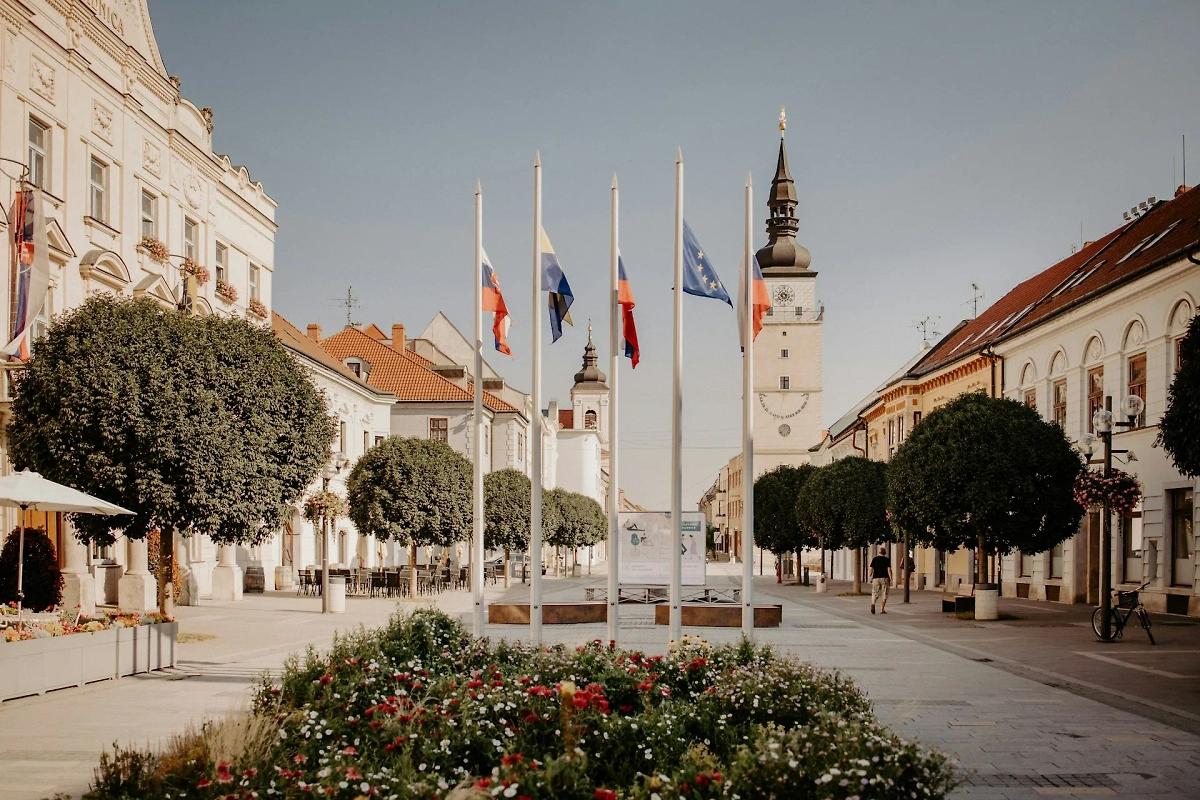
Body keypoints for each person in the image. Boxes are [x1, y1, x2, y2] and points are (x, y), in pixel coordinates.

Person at [870, 546, 893, 614]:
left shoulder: (874, 559)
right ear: (885, 553)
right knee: (884, 593)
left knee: (875, 592)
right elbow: (889, 570)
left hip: (876, 578)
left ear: (879, 552)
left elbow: (871, 568)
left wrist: (870, 576)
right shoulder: (887, 560)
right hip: (885, 578)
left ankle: (873, 603)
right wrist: (891, 579)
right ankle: (882, 609)